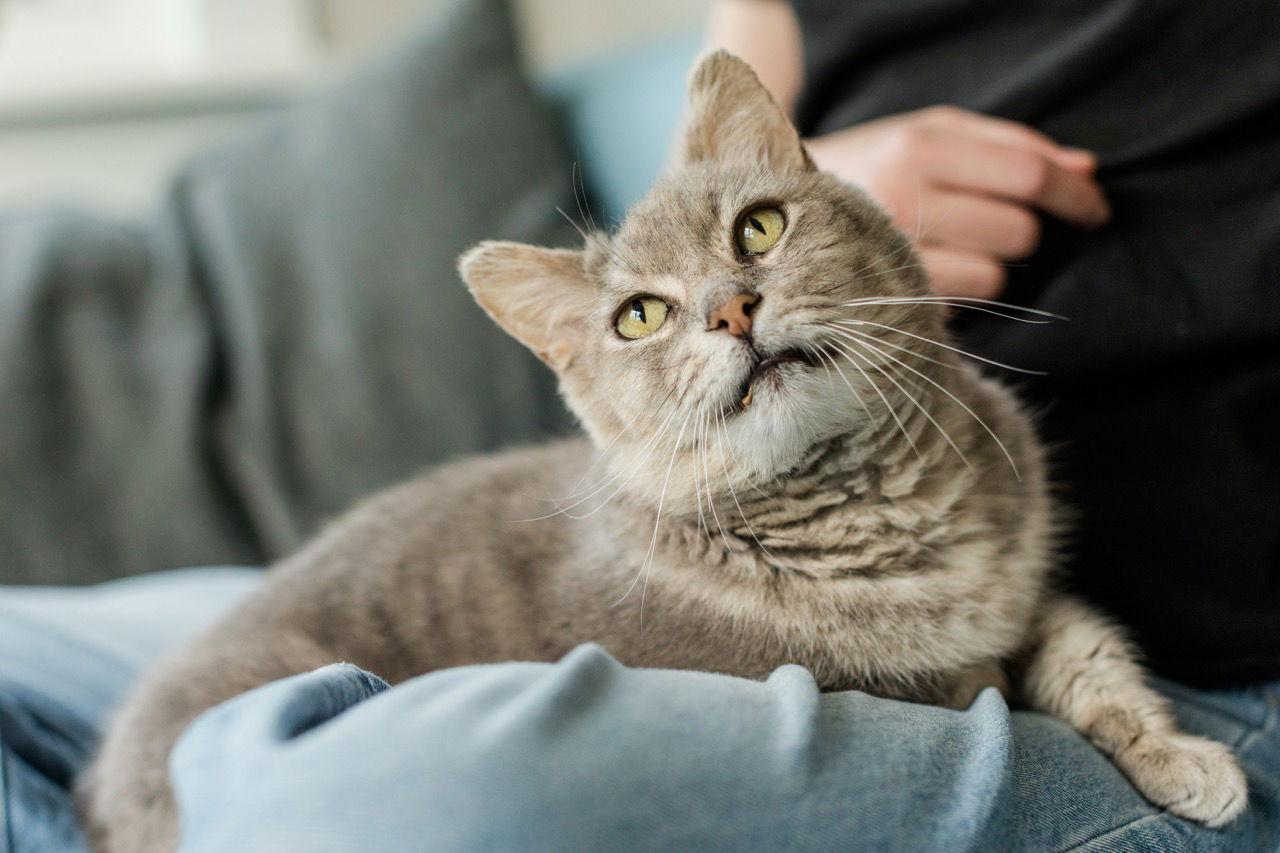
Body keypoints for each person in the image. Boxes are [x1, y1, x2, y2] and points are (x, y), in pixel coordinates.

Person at [1, 1, 1276, 850]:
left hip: (1190, 663)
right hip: (436, 598)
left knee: (374, 800)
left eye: (747, 261)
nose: (723, 311)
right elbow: (720, 121)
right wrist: (774, 195)